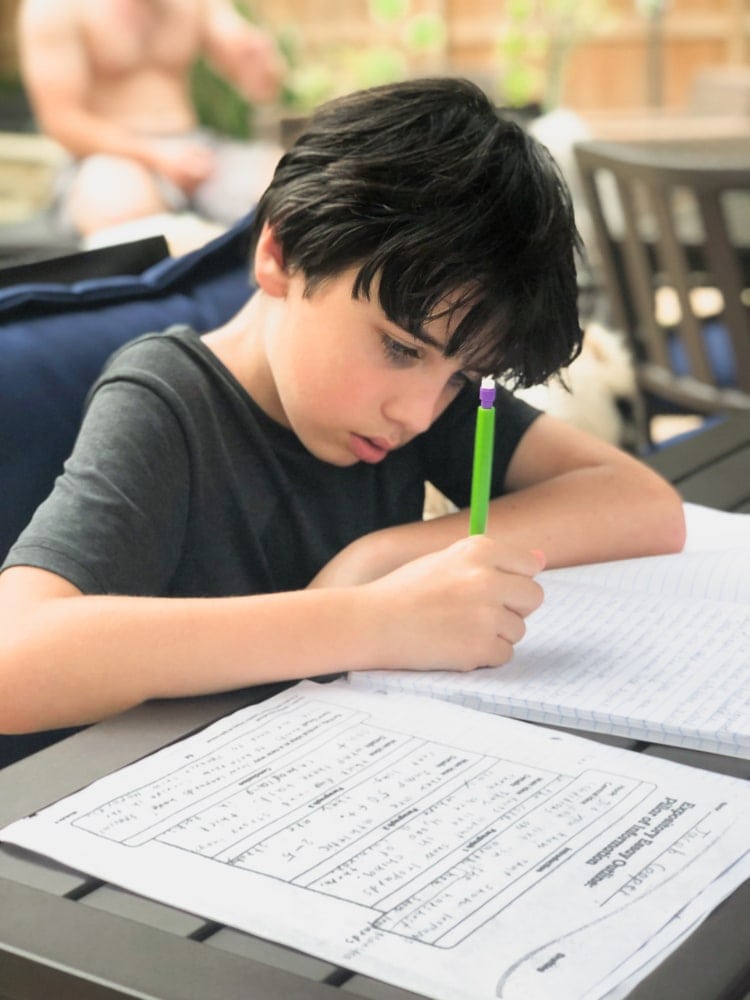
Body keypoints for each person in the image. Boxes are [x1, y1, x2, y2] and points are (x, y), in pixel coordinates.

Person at [0, 77, 686, 742]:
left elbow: (645, 504)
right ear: (280, 252)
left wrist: (381, 555)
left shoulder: (422, 385)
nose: (419, 415)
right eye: (397, 348)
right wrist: (370, 618)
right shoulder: (167, 402)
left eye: (461, 377)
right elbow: (15, 659)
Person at [17, 0, 286, 237]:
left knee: (290, 187)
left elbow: (262, 89)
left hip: (194, 149)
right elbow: (61, 122)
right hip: (109, 157)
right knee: (118, 204)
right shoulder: (55, 7)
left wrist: (258, 60)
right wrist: (156, 156)